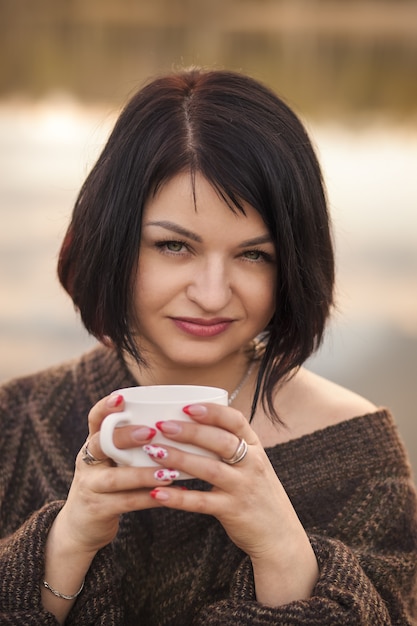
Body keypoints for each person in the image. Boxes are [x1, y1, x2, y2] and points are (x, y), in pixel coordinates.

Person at [0, 68, 416, 626]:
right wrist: (65, 544)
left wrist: (284, 554)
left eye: (253, 255)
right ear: (112, 238)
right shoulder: (15, 422)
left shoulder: (361, 460)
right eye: (174, 245)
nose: (212, 293)